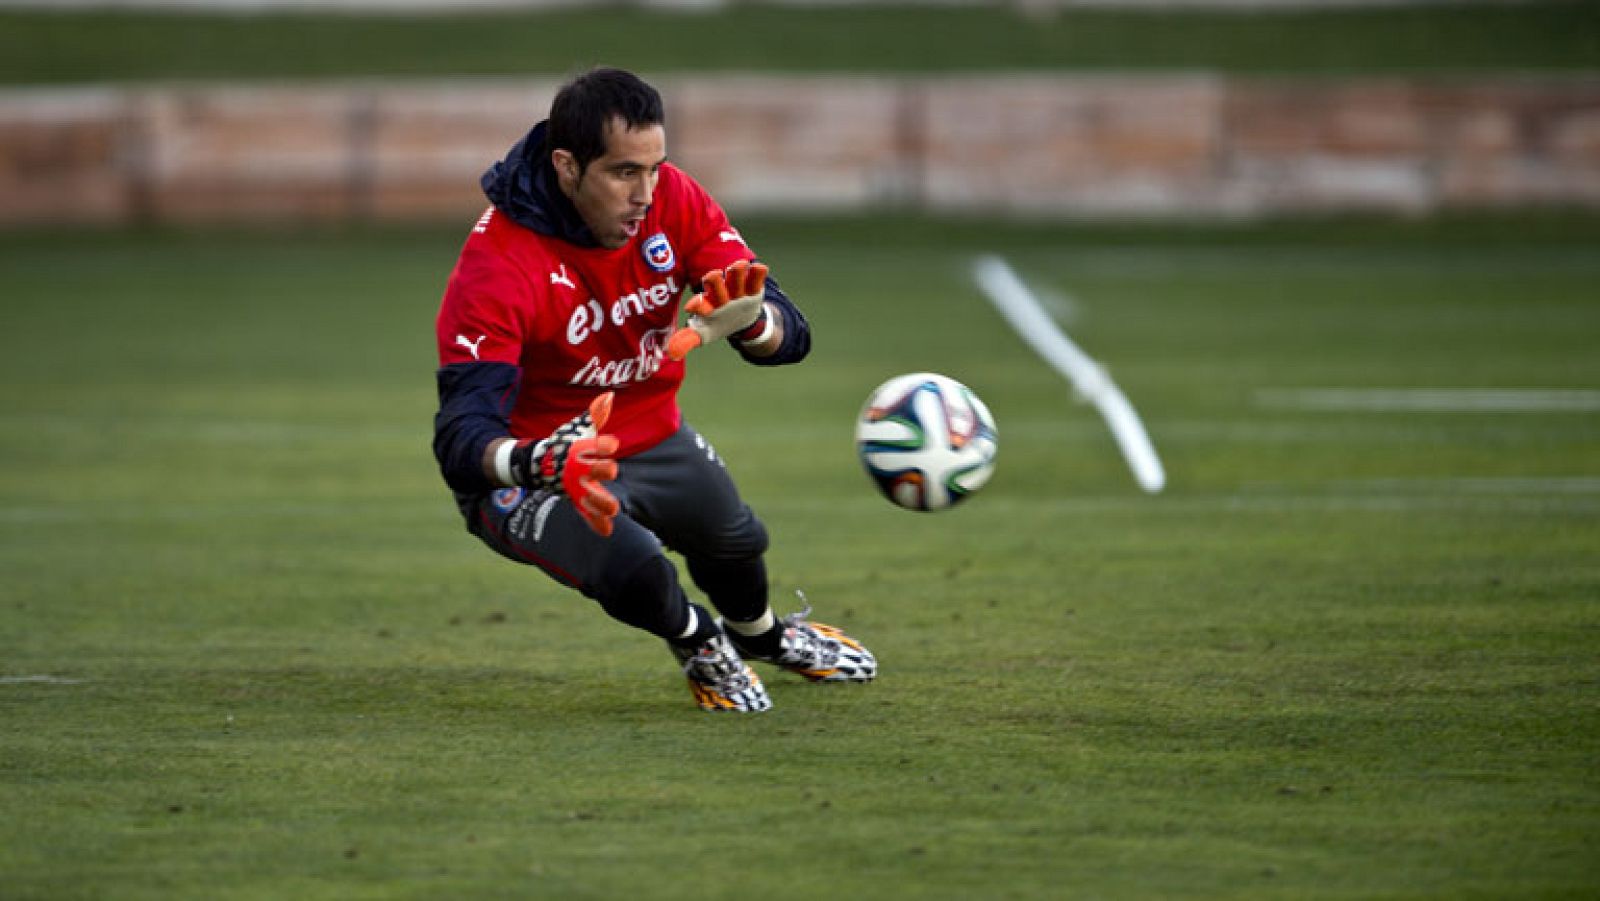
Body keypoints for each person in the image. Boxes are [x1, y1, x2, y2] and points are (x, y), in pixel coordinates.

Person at [432, 67, 875, 713]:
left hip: (651, 428)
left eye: (654, 168)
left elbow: (791, 332)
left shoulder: (675, 199)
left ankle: (766, 636)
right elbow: (460, 436)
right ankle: (697, 641)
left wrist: (753, 322)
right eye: (622, 172)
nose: (644, 193)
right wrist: (540, 460)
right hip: (534, 469)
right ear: (566, 166)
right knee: (636, 565)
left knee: (737, 540)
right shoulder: (497, 265)